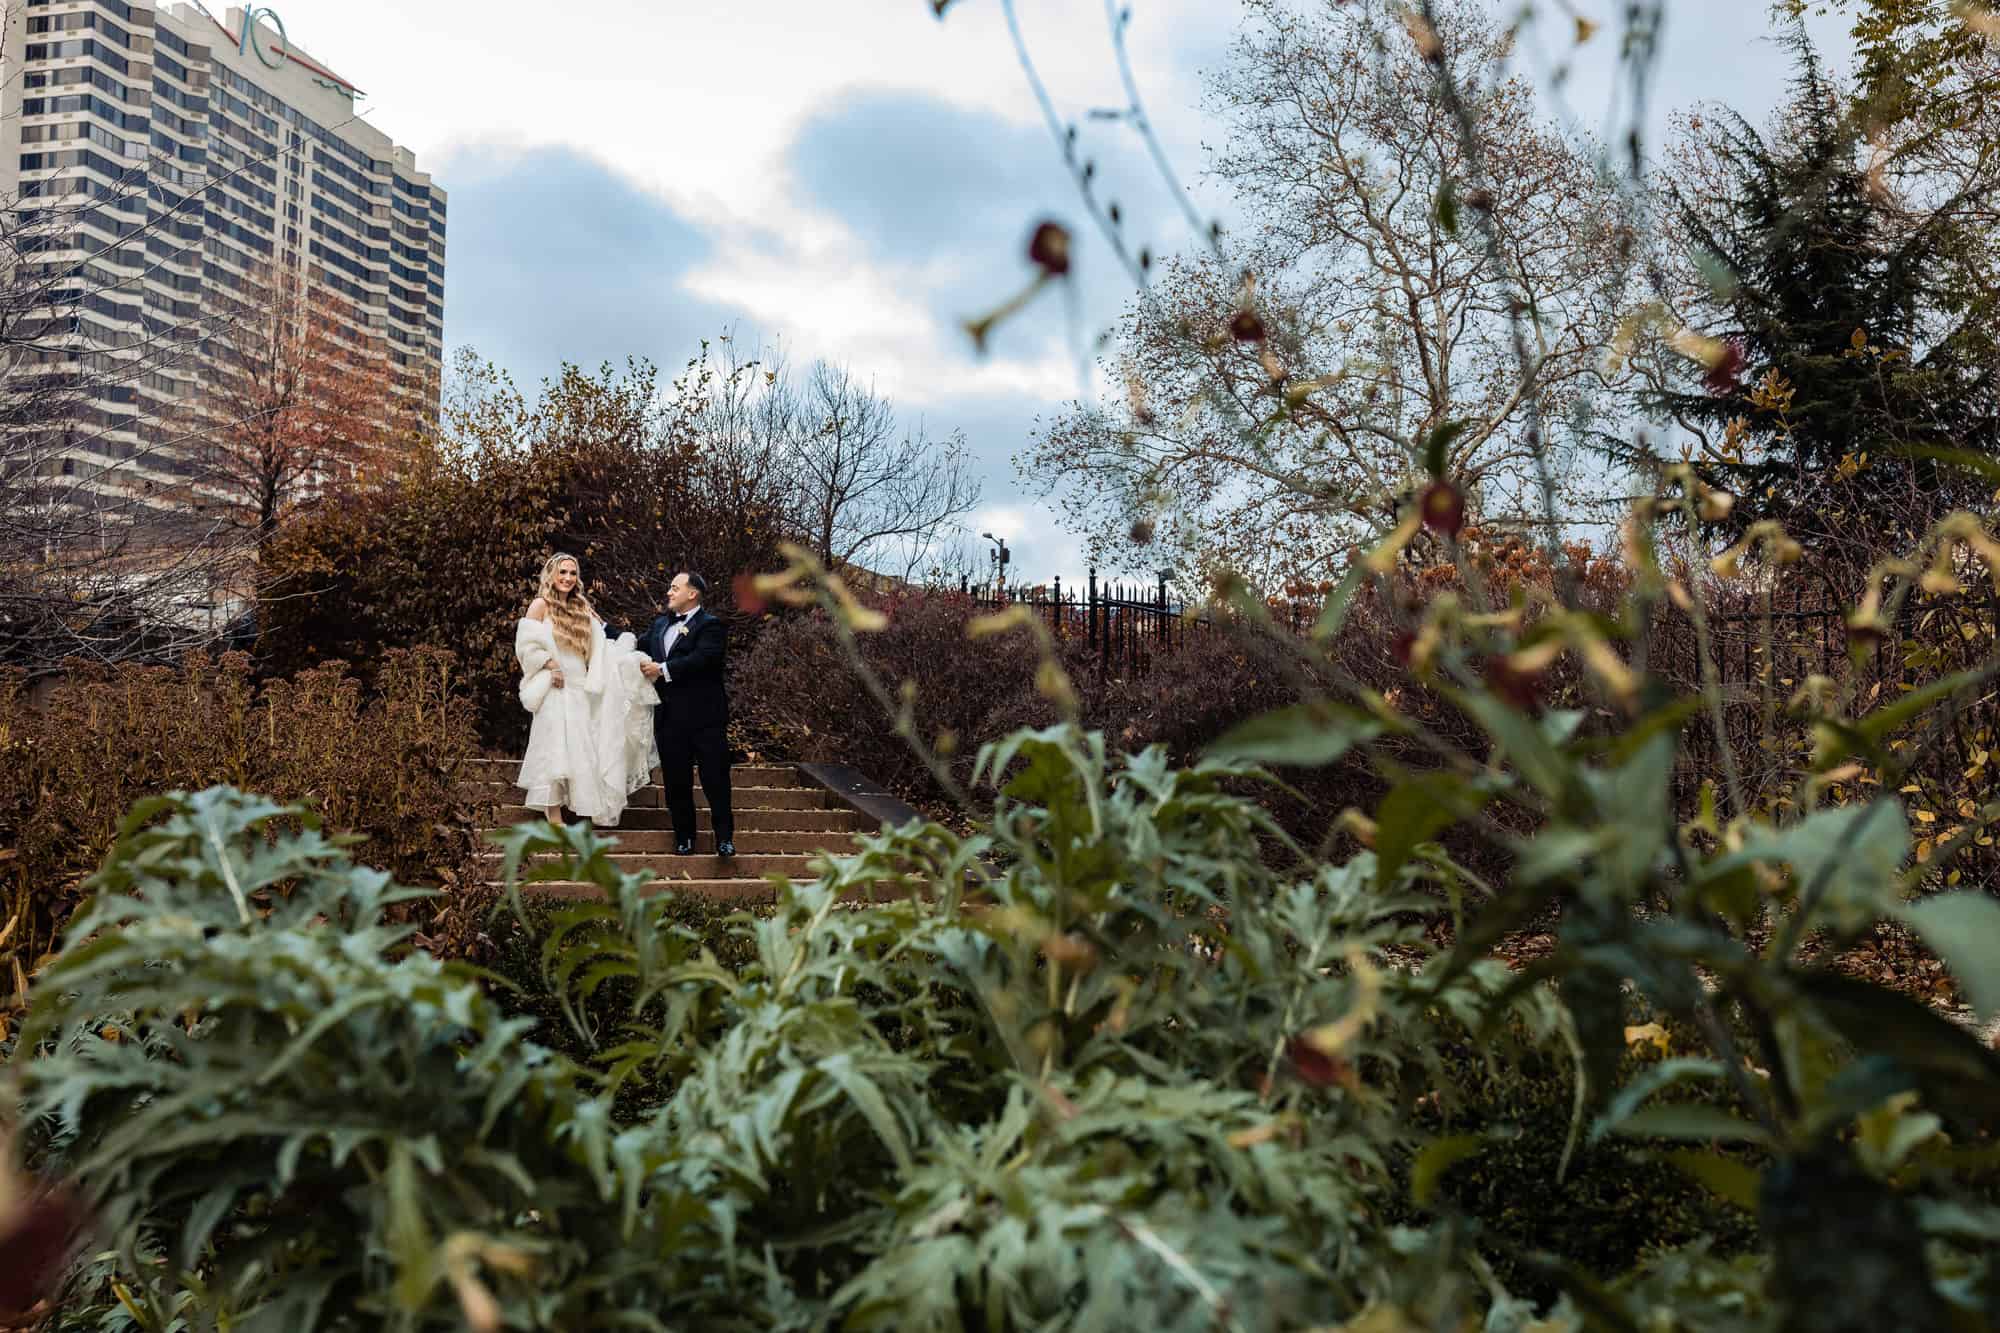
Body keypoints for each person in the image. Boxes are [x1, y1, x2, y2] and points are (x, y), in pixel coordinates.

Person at [514, 552, 659, 826]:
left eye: (572, 573)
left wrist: (631, 661)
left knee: (581, 749)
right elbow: (525, 645)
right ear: (552, 575)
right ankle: (553, 814)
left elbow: (603, 647)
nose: (568, 578)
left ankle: (580, 807)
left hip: (580, 686)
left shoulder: (583, 609)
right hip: (555, 684)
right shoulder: (540, 606)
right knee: (553, 747)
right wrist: (550, 664)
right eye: (563, 572)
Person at [636, 571, 734, 857]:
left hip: (706, 719)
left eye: (674, 588)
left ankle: (725, 838)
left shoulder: (712, 626)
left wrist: (662, 670)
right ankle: (684, 837)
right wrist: (599, 626)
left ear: (692, 593)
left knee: (715, 780)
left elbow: (704, 659)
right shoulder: (659, 626)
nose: (669, 592)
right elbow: (633, 643)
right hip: (669, 719)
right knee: (676, 782)